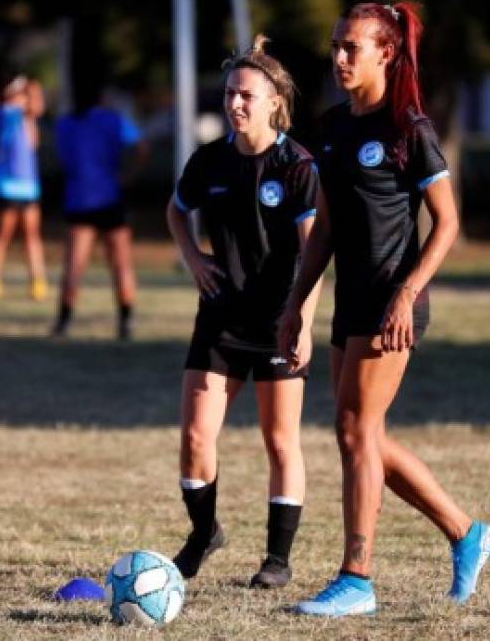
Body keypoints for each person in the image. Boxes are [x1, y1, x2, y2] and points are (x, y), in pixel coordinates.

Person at [277, 2, 490, 617]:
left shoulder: (409, 128)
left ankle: (357, 578)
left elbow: (448, 222)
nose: (340, 58)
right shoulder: (330, 126)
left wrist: (406, 293)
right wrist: (296, 304)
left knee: (356, 433)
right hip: (350, 300)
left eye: (353, 47)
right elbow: (323, 227)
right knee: (360, 435)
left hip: (393, 303)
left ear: (387, 52)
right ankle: (465, 532)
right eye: (336, 46)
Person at [166, 35, 323, 589]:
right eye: (230, 93)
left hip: (279, 318)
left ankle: (277, 559)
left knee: (280, 440)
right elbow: (176, 209)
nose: (234, 104)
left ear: (274, 101)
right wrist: (193, 259)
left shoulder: (298, 166)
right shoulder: (209, 160)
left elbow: (315, 251)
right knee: (194, 437)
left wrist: (303, 319)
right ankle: (203, 532)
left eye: (246, 96)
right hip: (220, 317)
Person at [52, 75, 149, 339]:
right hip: (109, 198)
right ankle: (125, 320)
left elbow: (63, 159)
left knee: (73, 265)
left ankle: (63, 322)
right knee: (121, 263)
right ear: (101, 98)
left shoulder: (64, 124)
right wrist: (127, 175)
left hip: (78, 199)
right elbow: (142, 147)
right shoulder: (113, 120)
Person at [0, 75, 49, 301]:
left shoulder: (28, 121)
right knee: (2, 236)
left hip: (29, 187)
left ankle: (37, 281)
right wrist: (18, 90)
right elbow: (11, 106)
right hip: (7, 187)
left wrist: (33, 91)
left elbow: (38, 107)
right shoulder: (5, 114)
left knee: (32, 236)